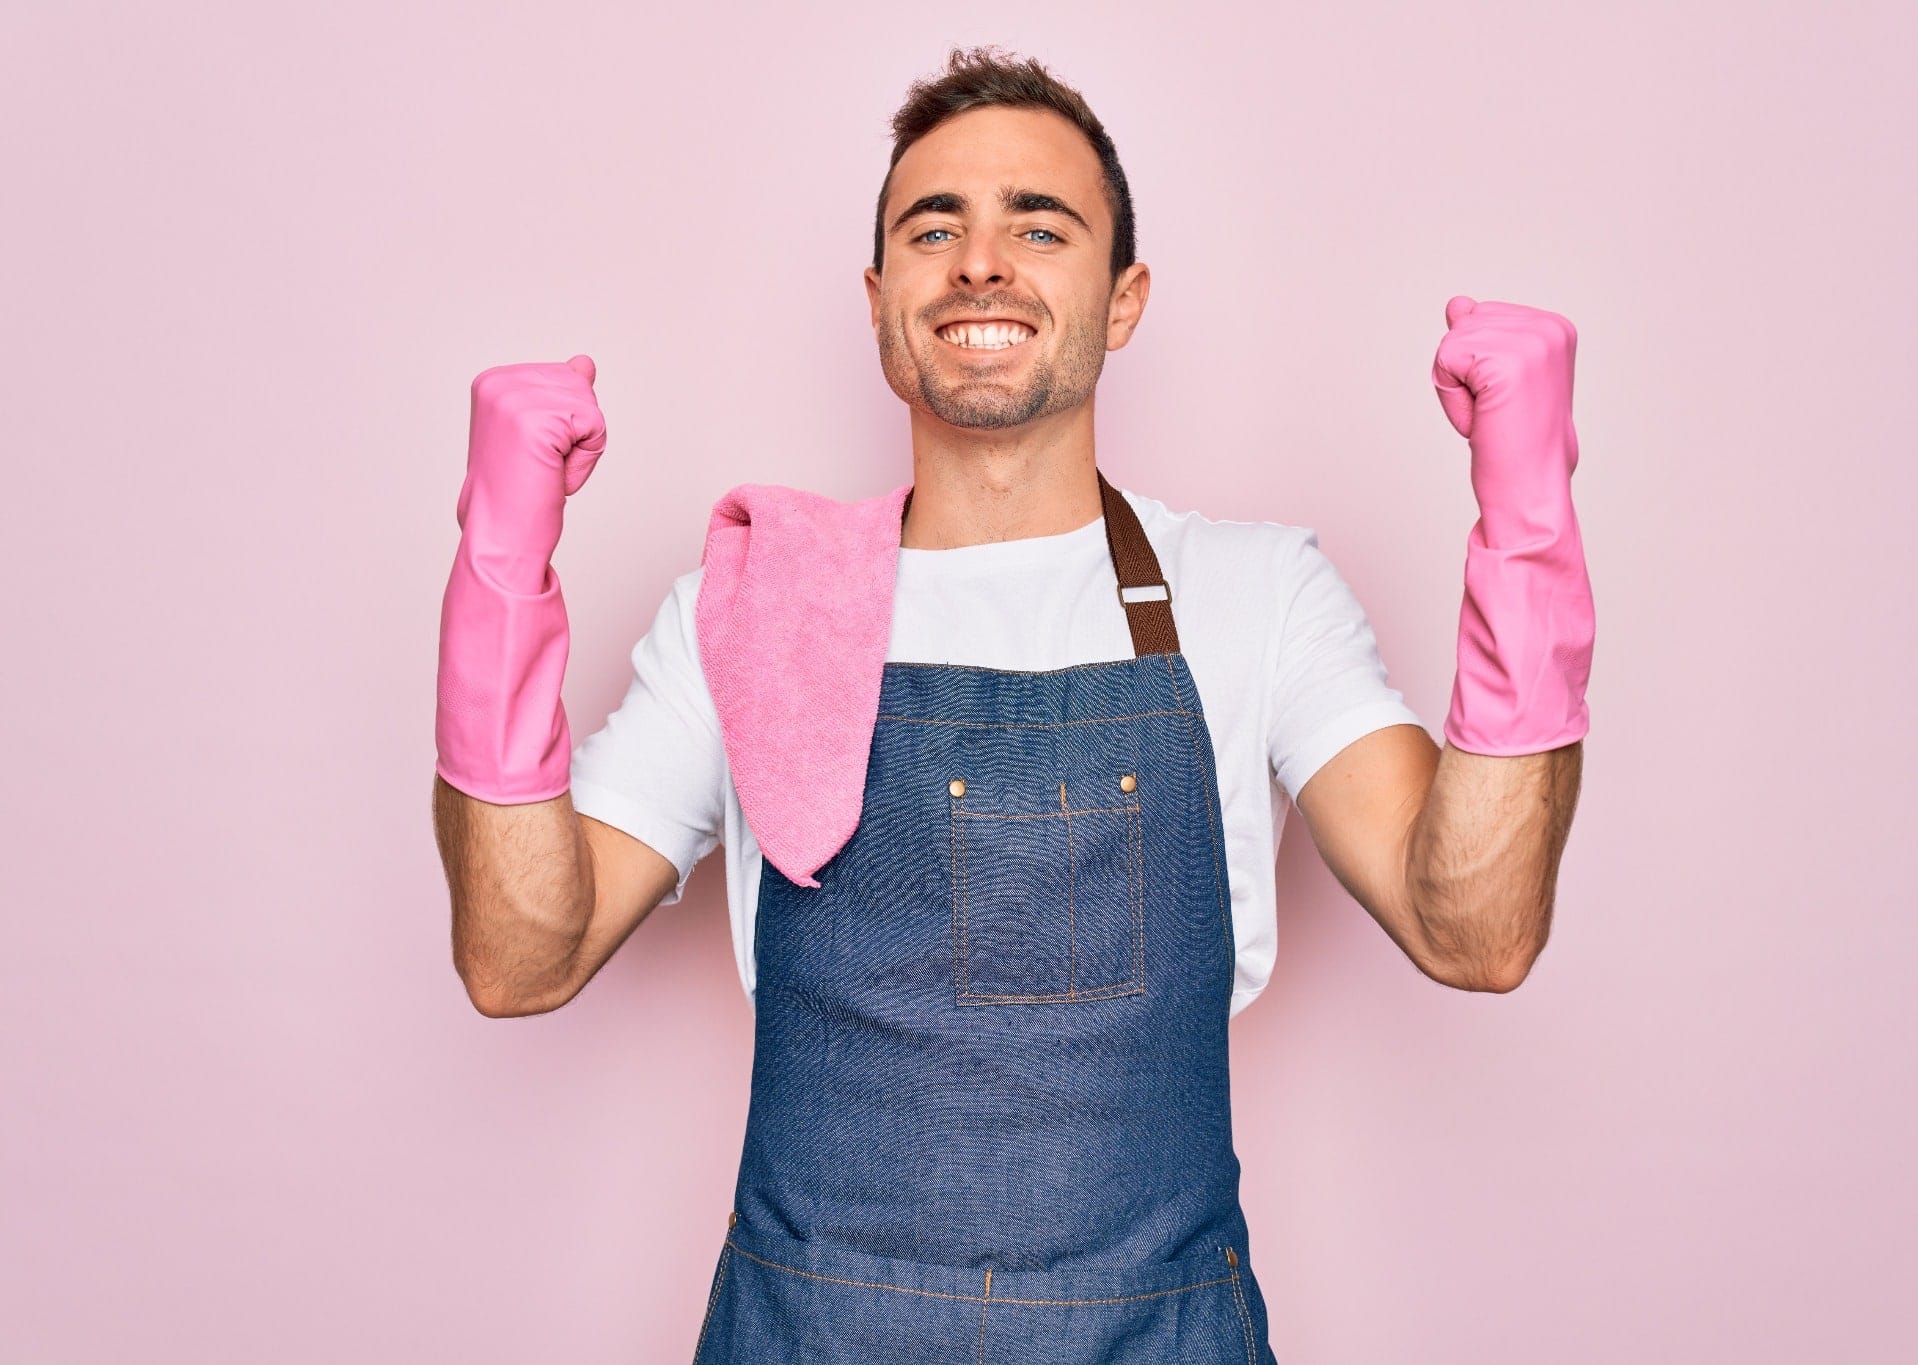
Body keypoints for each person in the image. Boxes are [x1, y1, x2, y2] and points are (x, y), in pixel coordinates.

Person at [430, 45, 1590, 1365]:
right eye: (936, 228)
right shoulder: (753, 604)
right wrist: (502, 572)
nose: (980, 263)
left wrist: (1529, 521)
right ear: (879, 304)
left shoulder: (1254, 593)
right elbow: (521, 956)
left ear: (1125, 295)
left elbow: (1477, 928)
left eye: (1040, 225)